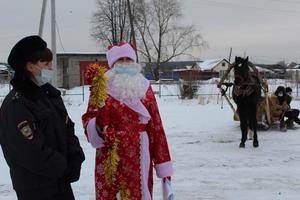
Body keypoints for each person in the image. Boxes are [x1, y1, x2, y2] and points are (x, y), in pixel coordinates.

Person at [82, 42, 173, 200]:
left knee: (138, 193)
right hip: (110, 152)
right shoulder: (102, 87)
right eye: (120, 60)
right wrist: (100, 127)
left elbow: (156, 127)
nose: (125, 63)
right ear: (112, 64)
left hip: (140, 152)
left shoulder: (144, 87)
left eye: (128, 59)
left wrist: (163, 164)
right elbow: (89, 118)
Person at [0, 35, 85, 200]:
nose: (50, 68)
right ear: (30, 66)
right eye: (46, 64)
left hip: (60, 183)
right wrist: (62, 166)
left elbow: (67, 127)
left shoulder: (49, 95)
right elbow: (28, 150)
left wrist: (75, 157)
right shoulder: (17, 104)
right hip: (36, 188)